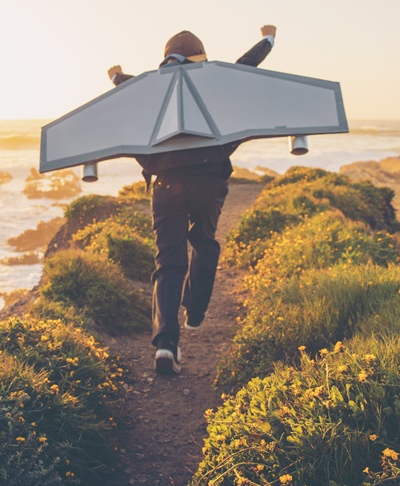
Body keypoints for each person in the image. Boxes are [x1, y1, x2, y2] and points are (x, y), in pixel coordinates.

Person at [107, 25, 276, 374]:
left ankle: (166, 345)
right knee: (204, 243)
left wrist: (116, 77)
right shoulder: (212, 82)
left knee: (168, 262)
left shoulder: (155, 89)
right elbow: (245, 68)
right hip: (209, 181)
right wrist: (268, 39)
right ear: (201, 58)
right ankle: (196, 311)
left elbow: (130, 88)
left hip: (167, 183)